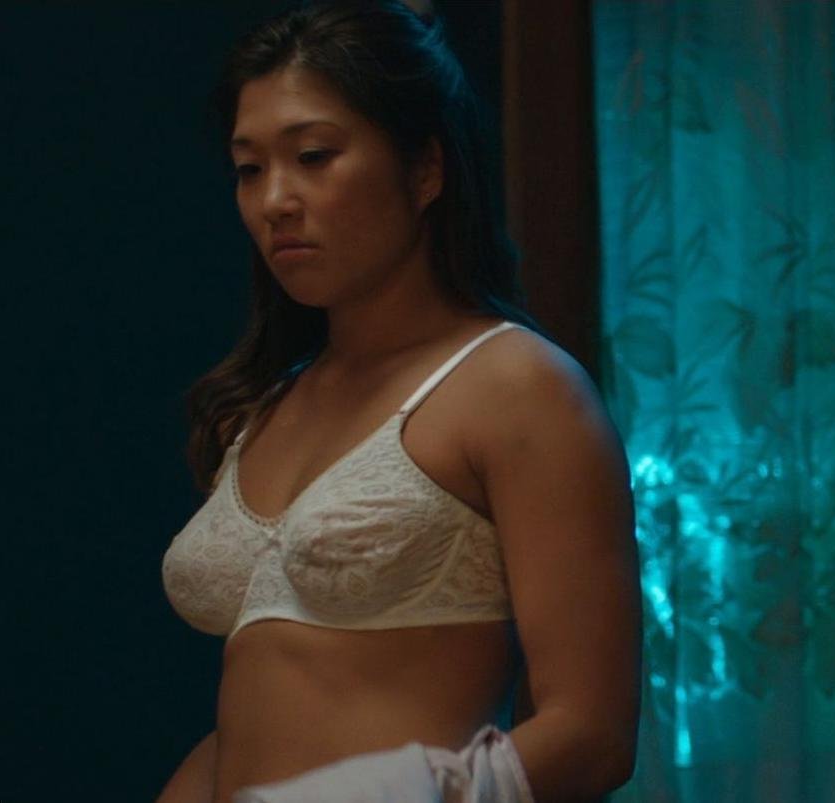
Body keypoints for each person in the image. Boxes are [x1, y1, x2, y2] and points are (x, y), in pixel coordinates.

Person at [155, 2, 639, 801]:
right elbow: (264, 723)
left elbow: (592, 735)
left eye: (313, 156)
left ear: (425, 170)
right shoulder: (266, 406)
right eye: (249, 168)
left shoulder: (517, 388)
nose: (275, 199)